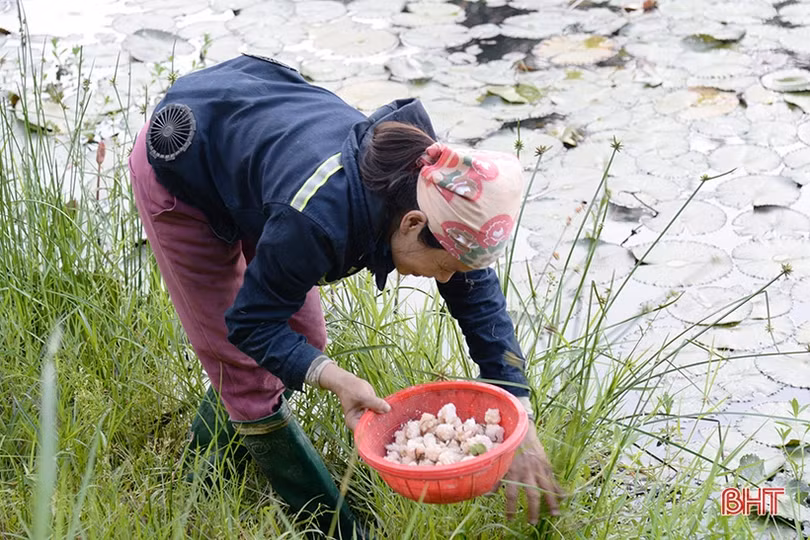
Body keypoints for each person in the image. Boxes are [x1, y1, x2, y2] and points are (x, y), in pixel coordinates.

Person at [128, 53, 562, 539]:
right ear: (413, 225)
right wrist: (334, 378)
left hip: (257, 160)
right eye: (444, 268)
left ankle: (210, 461)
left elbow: (475, 293)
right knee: (245, 368)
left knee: (303, 334)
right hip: (187, 169)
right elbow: (250, 324)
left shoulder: (440, 188)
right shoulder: (318, 219)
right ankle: (331, 527)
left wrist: (518, 411)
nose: (446, 279)